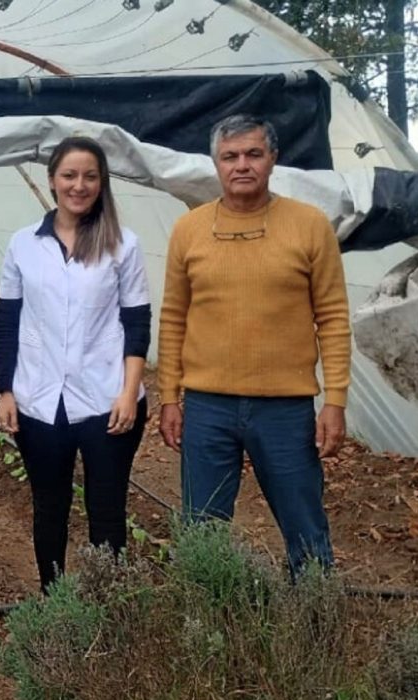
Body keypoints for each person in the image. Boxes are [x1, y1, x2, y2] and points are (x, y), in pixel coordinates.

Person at [157, 114, 351, 575]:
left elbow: (333, 318)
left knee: (305, 526)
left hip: (285, 409)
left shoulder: (309, 225)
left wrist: (335, 401)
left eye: (253, 154)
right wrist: (169, 396)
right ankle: (205, 626)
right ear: (216, 163)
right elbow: (173, 318)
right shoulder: (190, 229)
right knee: (201, 528)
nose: (241, 165)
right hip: (208, 407)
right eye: (230, 156)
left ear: (273, 160)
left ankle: (313, 625)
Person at [0, 136, 152, 593]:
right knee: (49, 505)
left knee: (106, 509)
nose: (79, 185)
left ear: (102, 184)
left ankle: (110, 610)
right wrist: (6, 391)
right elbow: (6, 323)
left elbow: (136, 322)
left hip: (107, 399)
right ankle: (56, 602)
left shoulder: (123, 244)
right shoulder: (24, 244)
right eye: (69, 175)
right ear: (52, 181)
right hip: (39, 401)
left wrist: (128, 392)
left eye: (90, 176)